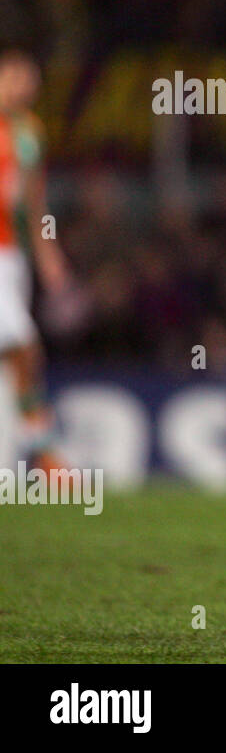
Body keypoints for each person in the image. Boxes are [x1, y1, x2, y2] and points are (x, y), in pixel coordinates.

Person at [0, 48, 70, 471]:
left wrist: (47, 252)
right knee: (24, 345)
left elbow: (33, 199)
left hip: (13, 257)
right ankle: (46, 455)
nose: (24, 86)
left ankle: (37, 450)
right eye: (15, 76)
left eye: (30, 80)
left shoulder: (29, 132)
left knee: (15, 354)